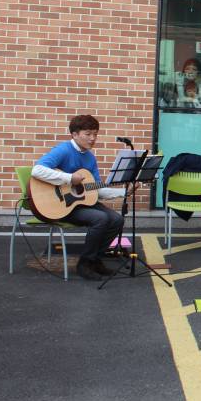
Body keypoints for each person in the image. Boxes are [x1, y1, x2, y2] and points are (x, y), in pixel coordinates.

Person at [32, 115, 126, 281]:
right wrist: (69, 178)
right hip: (60, 206)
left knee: (117, 220)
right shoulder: (64, 150)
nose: (93, 138)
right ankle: (84, 264)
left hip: (80, 204)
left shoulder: (90, 157)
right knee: (101, 218)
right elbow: (37, 170)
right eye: (88, 134)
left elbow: (96, 190)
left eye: (95, 134)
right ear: (75, 134)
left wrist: (124, 192)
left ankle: (95, 261)